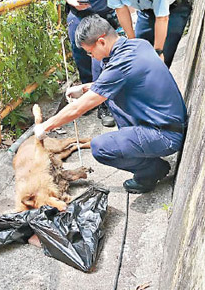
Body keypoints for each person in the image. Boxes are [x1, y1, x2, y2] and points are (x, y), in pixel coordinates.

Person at [34, 15, 187, 194]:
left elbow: (78, 108)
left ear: (101, 42)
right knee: (111, 97)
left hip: (165, 136)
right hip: (171, 123)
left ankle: (151, 171)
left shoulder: (121, 64)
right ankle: (144, 153)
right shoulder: (138, 45)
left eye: (91, 53)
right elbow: (119, 81)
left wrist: (46, 126)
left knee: (100, 147)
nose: (93, 57)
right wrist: (85, 88)